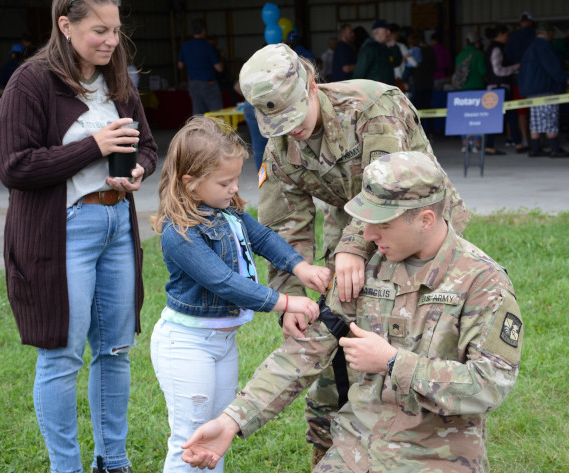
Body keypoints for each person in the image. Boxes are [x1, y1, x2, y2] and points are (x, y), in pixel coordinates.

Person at [181, 151, 523, 473]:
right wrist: (231, 421)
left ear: (425, 219)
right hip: (356, 450)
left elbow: (489, 384)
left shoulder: (482, 282)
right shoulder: (366, 266)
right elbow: (305, 351)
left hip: (436, 457)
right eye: (365, 222)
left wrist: (393, 362)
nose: (367, 235)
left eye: (383, 225)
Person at [237, 43, 470, 467]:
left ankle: (432, 436)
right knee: (329, 326)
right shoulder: (280, 149)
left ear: (312, 84)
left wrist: (351, 248)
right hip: (352, 225)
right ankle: (330, 442)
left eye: (294, 115)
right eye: (278, 123)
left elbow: (389, 192)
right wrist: (293, 300)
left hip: (416, 227)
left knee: (416, 331)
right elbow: (286, 227)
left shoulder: (371, 107)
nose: (293, 131)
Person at [0, 0, 158, 471]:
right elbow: (13, 165)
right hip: (61, 230)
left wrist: (139, 169)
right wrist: (94, 147)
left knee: (116, 350)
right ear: (65, 25)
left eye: (116, 31)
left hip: (116, 226)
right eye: (99, 31)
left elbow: (145, 144)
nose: (110, 41)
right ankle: (66, 467)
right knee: (62, 356)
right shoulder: (31, 82)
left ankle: (114, 460)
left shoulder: (117, 78)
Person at [150, 116, 331, 473]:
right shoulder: (179, 231)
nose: (235, 189)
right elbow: (222, 282)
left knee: (216, 433)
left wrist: (299, 266)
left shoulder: (227, 212)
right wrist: (285, 301)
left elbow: (262, 238)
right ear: (189, 183)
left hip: (222, 343)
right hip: (188, 344)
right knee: (189, 438)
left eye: (236, 179)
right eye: (224, 182)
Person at [518, 21, 569, 158]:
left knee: (535, 120)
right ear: (548, 33)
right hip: (545, 89)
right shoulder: (545, 47)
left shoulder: (530, 48)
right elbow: (553, 67)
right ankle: (555, 148)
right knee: (550, 118)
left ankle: (535, 148)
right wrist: (565, 79)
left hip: (531, 91)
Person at [483, 24, 525, 156]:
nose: (507, 38)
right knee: (510, 116)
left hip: (495, 88)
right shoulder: (496, 49)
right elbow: (498, 71)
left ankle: (492, 145)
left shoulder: (492, 48)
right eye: (506, 35)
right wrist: (515, 67)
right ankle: (516, 144)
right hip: (499, 89)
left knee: (500, 117)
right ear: (500, 35)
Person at [178, 19, 223, 115]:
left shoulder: (185, 46)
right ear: (204, 30)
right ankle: (217, 130)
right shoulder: (208, 47)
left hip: (193, 83)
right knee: (216, 112)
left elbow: (180, 65)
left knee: (198, 113)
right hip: (208, 83)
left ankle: (199, 130)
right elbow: (219, 68)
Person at [505, 12, 536, 149]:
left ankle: (523, 138)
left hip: (517, 78)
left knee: (520, 110)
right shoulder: (535, 36)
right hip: (535, 79)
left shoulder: (513, 37)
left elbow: (507, 57)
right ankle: (536, 139)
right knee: (535, 109)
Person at [454, 31, 487, 153]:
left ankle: (465, 143)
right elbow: (483, 71)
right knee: (477, 118)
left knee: (465, 118)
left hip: (462, 91)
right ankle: (476, 144)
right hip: (477, 89)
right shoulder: (478, 54)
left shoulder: (460, 55)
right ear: (476, 42)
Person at [353, 19, 401, 85]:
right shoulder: (369, 49)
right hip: (374, 92)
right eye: (386, 30)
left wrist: (394, 47)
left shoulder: (385, 48)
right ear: (377, 32)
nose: (389, 33)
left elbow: (396, 62)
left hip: (386, 90)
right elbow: (359, 72)